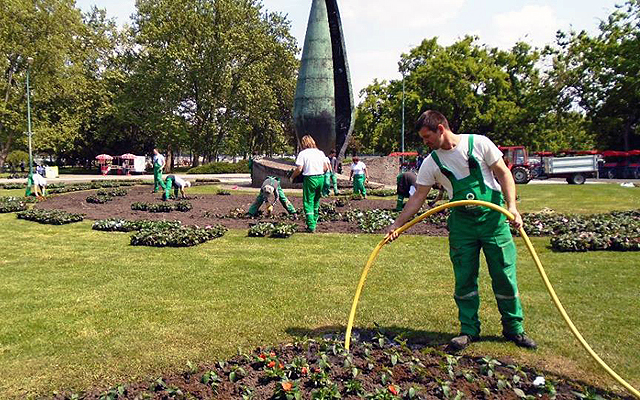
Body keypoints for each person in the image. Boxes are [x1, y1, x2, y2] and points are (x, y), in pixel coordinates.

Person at [385, 110, 536, 351]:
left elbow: (504, 173)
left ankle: (514, 328)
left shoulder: (479, 144)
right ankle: (468, 330)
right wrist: (397, 225)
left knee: (504, 274)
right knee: (464, 277)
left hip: (493, 219)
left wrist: (512, 208)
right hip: (462, 224)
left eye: (427, 137)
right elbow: (418, 198)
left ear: (441, 129)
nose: (425, 142)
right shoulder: (431, 162)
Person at [290, 135, 329, 232]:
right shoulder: (320, 153)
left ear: (304, 143)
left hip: (310, 178)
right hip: (321, 178)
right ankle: (314, 222)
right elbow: (326, 168)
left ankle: (311, 226)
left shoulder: (303, 154)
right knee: (316, 201)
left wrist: (292, 177)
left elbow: (299, 169)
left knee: (308, 201)